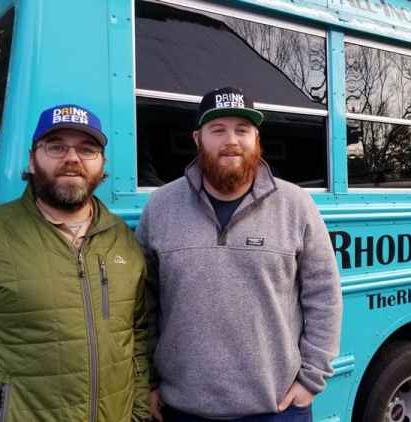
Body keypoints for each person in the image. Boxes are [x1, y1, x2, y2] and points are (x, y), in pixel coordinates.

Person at [137, 87, 342, 422]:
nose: (231, 140)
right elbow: (143, 304)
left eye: (242, 130)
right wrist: (148, 381)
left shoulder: (296, 205)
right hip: (182, 409)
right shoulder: (160, 206)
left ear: (256, 138)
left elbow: (324, 296)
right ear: (197, 138)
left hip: (276, 409)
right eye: (217, 130)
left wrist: (311, 378)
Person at [0, 104, 151, 421]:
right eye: (56, 147)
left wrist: (138, 413)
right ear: (31, 159)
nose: (72, 158)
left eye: (87, 149)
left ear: (102, 165)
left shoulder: (123, 240)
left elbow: (137, 337)